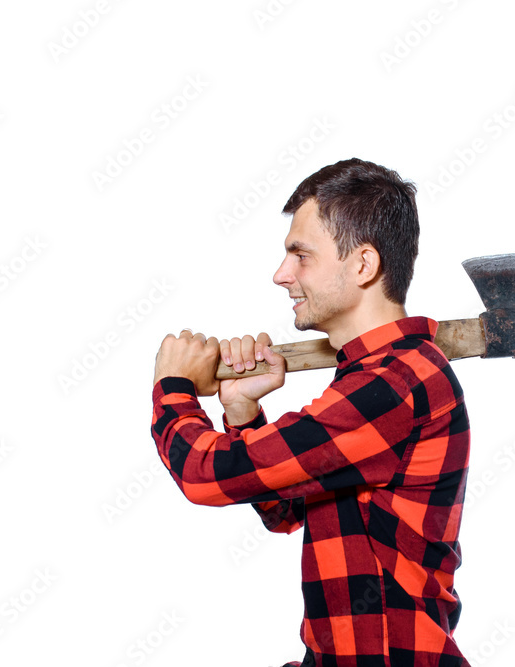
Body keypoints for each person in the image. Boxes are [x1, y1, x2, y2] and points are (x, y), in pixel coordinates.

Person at [150, 158, 471, 667]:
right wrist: (242, 411)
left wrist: (174, 387)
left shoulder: (393, 384)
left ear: (363, 265)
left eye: (301, 256)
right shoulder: (367, 378)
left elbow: (205, 476)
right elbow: (288, 511)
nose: (282, 275)